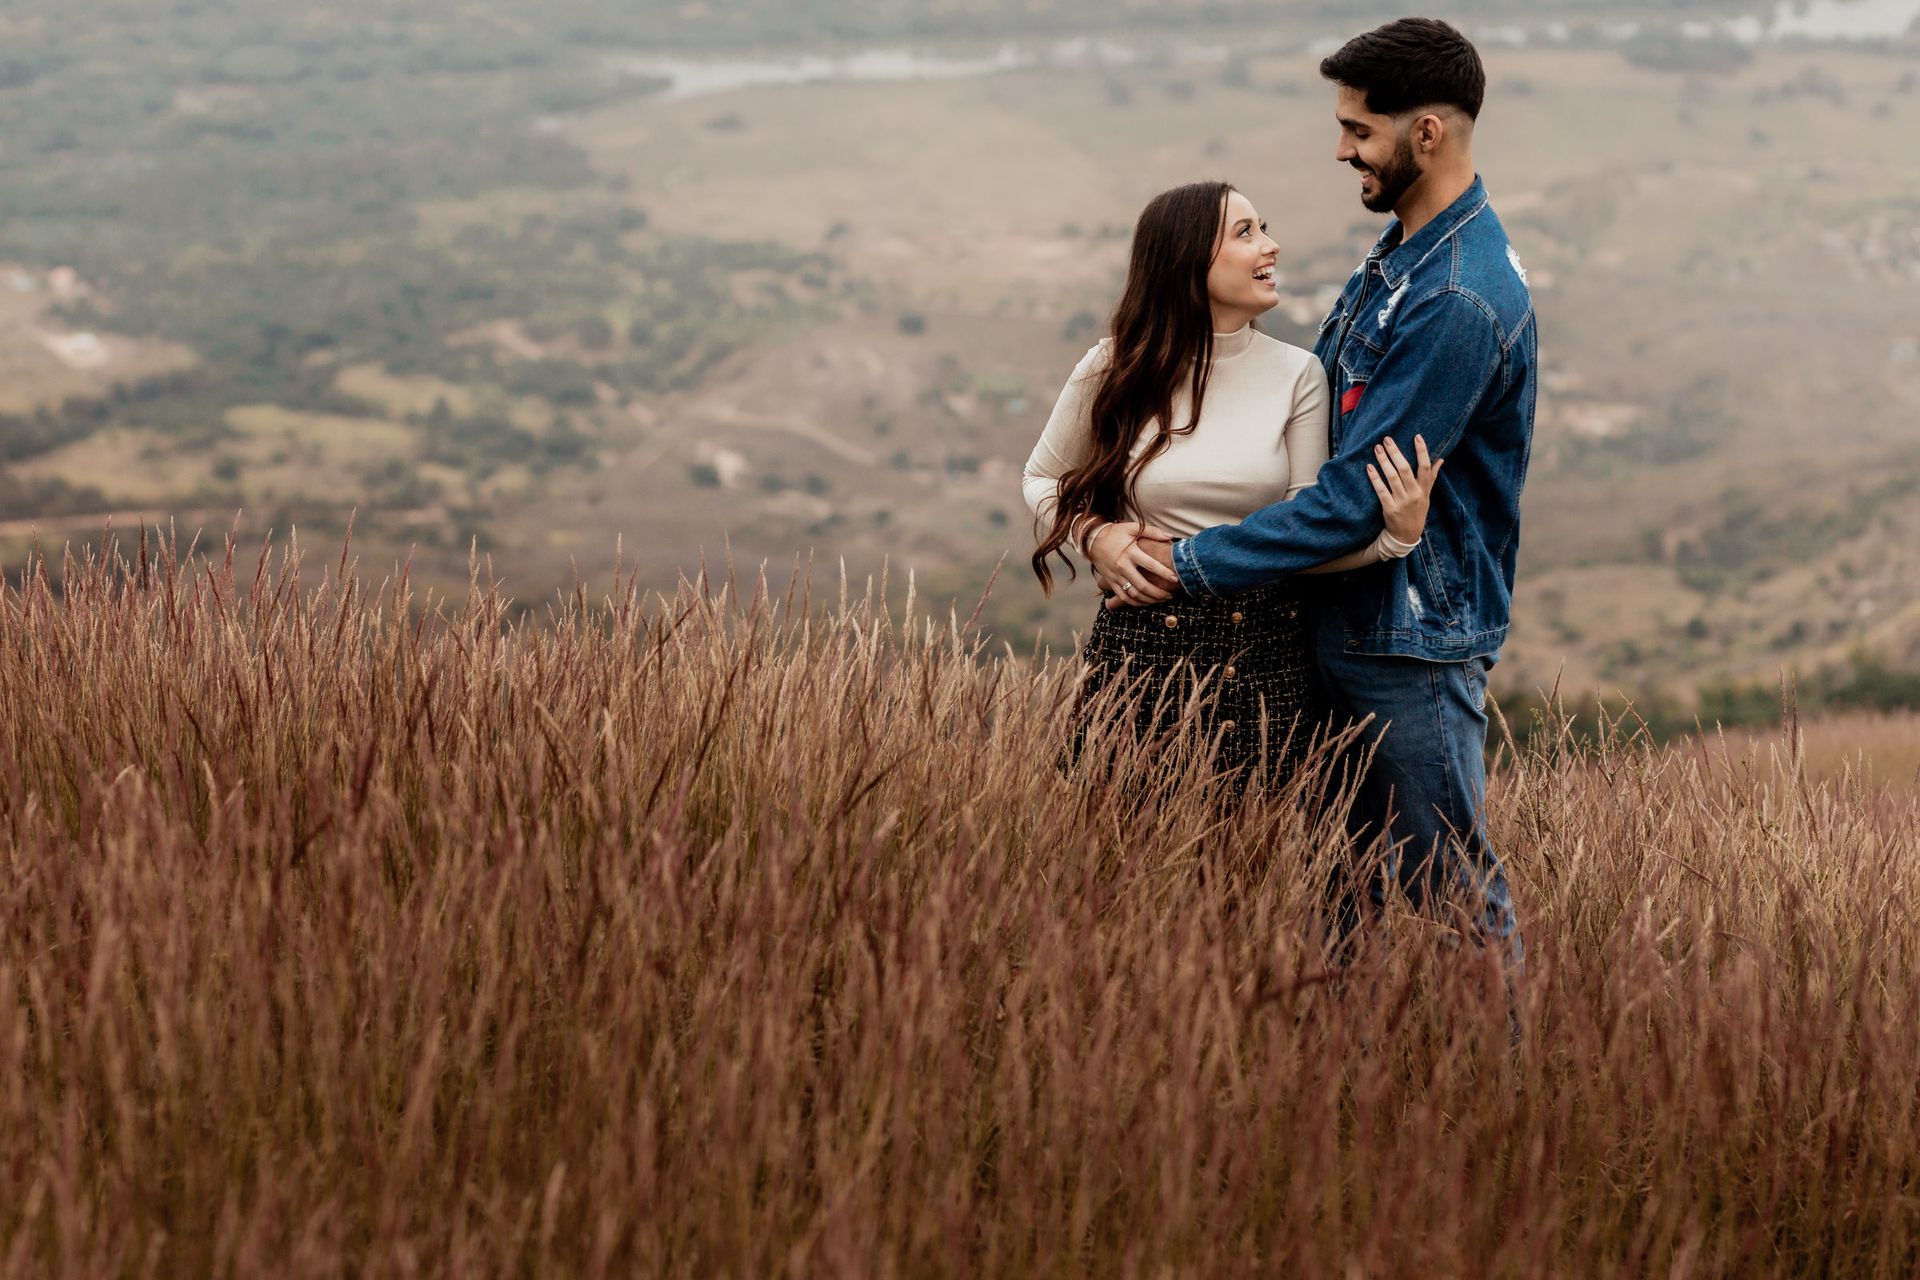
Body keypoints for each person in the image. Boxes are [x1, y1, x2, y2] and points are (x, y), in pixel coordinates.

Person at [1120, 18, 1535, 962]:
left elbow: (1353, 498)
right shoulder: (1406, 258)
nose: (1341, 146)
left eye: (1359, 128)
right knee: (1343, 899)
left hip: (1407, 642)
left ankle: (1509, 1101)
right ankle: (1345, 1090)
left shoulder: (1455, 299)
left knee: (1455, 899)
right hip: (1352, 621)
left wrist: (1187, 563)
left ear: (1425, 133)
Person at [1023, 179, 1441, 795]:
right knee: (1116, 864)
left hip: (1264, 663)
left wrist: (1393, 544)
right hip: (1136, 653)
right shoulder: (1113, 365)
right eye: (1245, 233)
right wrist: (1094, 535)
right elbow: (1042, 477)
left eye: (1263, 228)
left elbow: (1303, 535)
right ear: (1188, 258)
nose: (1270, 246)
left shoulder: (1299, 374)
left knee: (1256, 866)